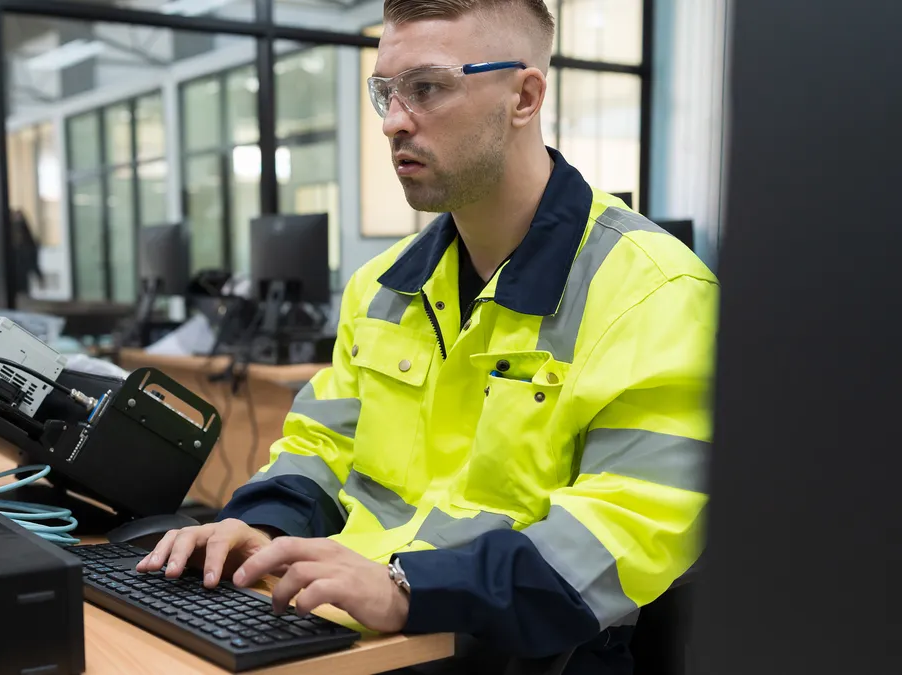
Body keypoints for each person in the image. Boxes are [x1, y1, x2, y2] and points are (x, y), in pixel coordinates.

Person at [137, 0, 717, 672]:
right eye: (385, 90)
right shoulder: (382, 285)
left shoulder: (657, 293)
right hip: (370, 635)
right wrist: (261, 526)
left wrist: (410, 588)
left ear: (524, 96)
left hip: (522, 650)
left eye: (428, 88)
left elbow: (625, 531)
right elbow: (324, 446)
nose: (392, 122)